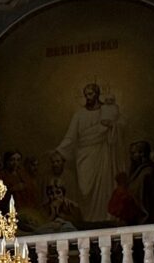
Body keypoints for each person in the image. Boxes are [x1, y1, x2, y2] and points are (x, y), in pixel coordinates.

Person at [51, 81, 126, 222]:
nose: (88, 97)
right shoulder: (79, 114)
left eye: (90, 94)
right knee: (85, 189)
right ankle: (87, 220)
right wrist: (59, 150)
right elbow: (70, 137)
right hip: (84, 155)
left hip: (103, 152)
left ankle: (104, 218)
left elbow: (122, 124)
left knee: (104, 186)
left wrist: (112, 125)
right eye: (86, 95)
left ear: (97, 94)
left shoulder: (108, 110)